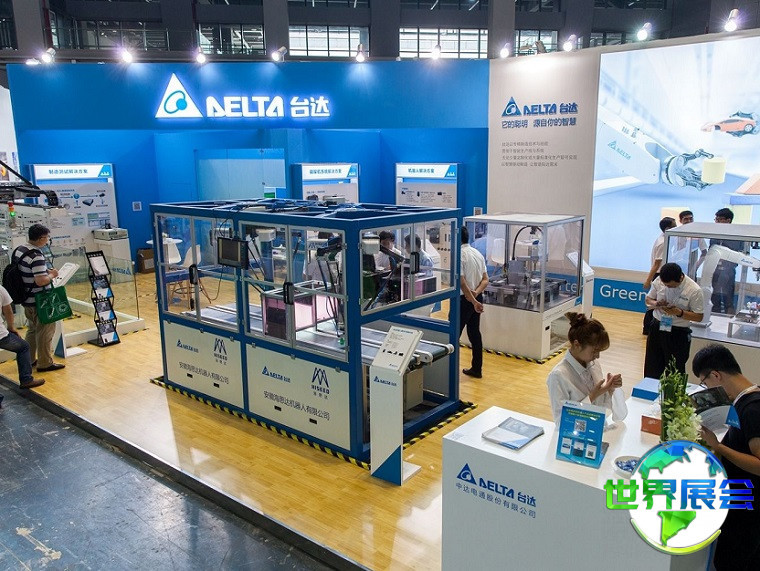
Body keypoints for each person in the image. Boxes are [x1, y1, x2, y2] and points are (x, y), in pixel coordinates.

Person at [692, 344, 760, 570]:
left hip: (747, 512)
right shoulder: (745, 399)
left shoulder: (752, 409)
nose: (708, 389)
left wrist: (718, 447)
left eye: (705, 383)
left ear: (716, 375)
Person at [546, 312, 626, 424]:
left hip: (598, 428)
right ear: (577, 345)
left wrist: (609, 389)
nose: (597, 356)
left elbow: (603, 409)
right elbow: (561, 421)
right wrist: (592, 396)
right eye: (594, 351)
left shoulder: (594, 365)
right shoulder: (558, 376)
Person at [13, 223, 65, 372]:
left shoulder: (20, 250)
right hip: (40, 301)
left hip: (26, 299)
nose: (47, 241)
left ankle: (29, 359)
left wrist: (44, 271)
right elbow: (41, 281)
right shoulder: (36, 256)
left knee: (32, 330)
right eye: (47, 238)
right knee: (45, 332)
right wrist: (52, 275)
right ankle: (45, 363)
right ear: (41, 238)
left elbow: (28, 271)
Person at [643, 262, 704, 379]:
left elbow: (699, 316)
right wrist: (657, 303)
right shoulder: (659, 281)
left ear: (680, 278)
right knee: (652, 365)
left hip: (678, 332)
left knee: (675, 369)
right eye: (665, 285)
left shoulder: (694, 290)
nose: (667, 287)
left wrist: (679, 312)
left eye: (671, 286)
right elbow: (648, 299)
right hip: (657, 326)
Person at [0, 284, 45, 388]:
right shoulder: (1, 289)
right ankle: (26, 380)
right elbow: (8, 311)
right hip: (1, 335)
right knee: (24, 347)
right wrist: (11, 327)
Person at [459, 226, 488, 379]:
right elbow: (485, 280)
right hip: (476, 298)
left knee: (453, 334)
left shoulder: (459, 255)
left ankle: (449, 372)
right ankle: (477, 369)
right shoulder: (477, 254)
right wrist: (476, 294)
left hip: (464, 300)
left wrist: (472, 299)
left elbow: (462, 283)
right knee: (475, 334)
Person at [643, 216, 677, 334]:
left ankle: (655, 329)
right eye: (674, 226)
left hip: (661, 275)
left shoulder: (665, 239)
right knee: (656, 304)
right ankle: (648, 329)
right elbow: (657, 264)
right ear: (667, 229)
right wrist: (648, 280)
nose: (676, 228)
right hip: (660, 275)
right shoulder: (663, 243)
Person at [710, 207, 744, 315]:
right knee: (713, 299)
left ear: (728, 220)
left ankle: (728, 319)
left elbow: (739, 255)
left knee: (728, 300)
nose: (717, 222)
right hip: (714, 271)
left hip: (728, 272)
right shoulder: (714, 235)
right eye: (716, 219)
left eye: (719, 219)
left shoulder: (737, 236)